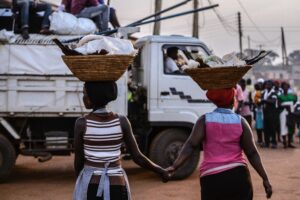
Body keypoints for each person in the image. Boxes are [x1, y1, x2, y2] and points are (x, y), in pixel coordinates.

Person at [166, 88, 272, 200]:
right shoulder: (241, 121)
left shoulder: (204, 120)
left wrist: (174, 166)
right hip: (238, 176)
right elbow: (252, 153)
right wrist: (265, 178)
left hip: (212, 178)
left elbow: (190, 145)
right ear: (233, 100)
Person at [73, 81, 168, 200]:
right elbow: (138, 157)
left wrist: (80, 180)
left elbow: (79, 161)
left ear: (92, 97)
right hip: (117, 183)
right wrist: (161, 171)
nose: (83, 97)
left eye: (85, 93)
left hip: (91, 183)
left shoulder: (81, 123)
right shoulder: (122, 121)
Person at [278, 82, 298, 148]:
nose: (285, 87)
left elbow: (295, 101)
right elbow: (278, 105)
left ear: (288, 87)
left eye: (287, 86)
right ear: (282, 87)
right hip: (283, 113)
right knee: (283, 127)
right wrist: (286, 106)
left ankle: (289, 142)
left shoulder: (292, 96)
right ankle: (284, 142)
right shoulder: (280, 96)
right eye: (284, 86)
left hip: (291, 113)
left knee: (291, 127)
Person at [262, 80, 278, 148]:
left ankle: (274, 143)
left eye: (269, 84)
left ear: (272, 85)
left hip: (272, 113)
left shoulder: (274, 93)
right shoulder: (264, 92)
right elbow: (261, 100)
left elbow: (273, 101)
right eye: (267, 84)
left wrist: (264, 100)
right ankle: (266, 143)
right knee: (266, 128)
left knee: (272, 128)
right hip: (265, 113)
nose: (267, 85)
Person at [254, 82, 264, 146]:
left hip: (259, 111)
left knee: (259, 127)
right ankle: (260, 139)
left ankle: (260, 139)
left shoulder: (259, 93)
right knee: (259, 127)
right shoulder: (258, 93)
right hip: (259, 111)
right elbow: (258, 102)